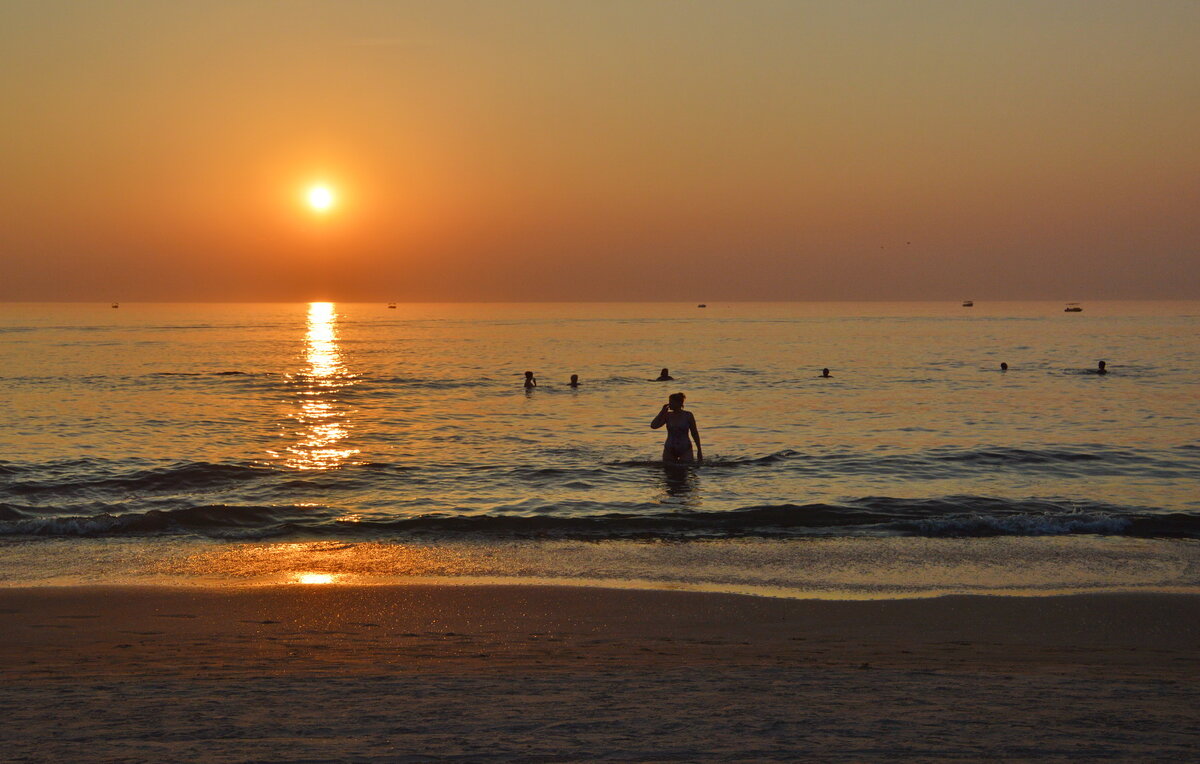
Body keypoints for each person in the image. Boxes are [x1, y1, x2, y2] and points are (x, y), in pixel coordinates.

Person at [651, 392, 702, 464]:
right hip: (669, 449)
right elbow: (653, 426)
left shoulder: (688, 415)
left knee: (685, 470)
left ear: (678, 403)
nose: (669, 404)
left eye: (671, 402)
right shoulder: (667, 415)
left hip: (685, 448)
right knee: (668, 472)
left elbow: (694, 433)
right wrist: (661, 412)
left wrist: (699, 450)